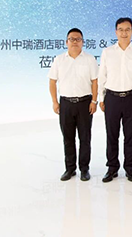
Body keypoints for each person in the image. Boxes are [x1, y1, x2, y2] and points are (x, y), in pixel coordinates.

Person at [48, 28, 99, 182]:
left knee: (85, 138)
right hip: (66, 104)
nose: (75, 42)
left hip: (85, 103)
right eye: (72, 39)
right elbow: (52, 81)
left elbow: (95, 81)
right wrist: (55, 102)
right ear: (66, 42)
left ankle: (84, 169)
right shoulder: (59, 60)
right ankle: (70, 169)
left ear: (83, 42)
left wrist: (94, 101)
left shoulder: (90, 59)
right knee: (68, 138)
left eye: (78, 39)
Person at [98, 17, 132, 183]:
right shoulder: (107, 52)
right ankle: (112, 168)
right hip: (112, 98)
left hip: (131, 97)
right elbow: (102, 76)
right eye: (121, 29)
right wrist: (101, 98)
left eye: (127, 29)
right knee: (112, 135)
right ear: (116, 32)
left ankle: (130, 168)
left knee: (130, 135)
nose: (124, 33)